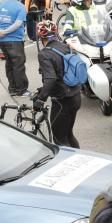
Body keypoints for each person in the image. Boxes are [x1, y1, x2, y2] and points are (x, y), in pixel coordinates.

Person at [33, 20, 81, 148]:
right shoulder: (66, 46)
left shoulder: (44, 54)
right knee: (69, 135)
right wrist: (42, 90)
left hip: (62, 101)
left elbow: (51, 78)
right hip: (76, 96)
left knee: (60, 140)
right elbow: (62, 72)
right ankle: (81, 159)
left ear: (41, 37)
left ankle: (71, 166)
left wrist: (40, 99)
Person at [0, 0, 30, 97]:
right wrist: (5, 31)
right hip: (14, 40)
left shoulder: (0, 3)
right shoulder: (20, 6)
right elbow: (18, 24)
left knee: (9, 63)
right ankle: (21, 90)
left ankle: (12, 88)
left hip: (2, 41)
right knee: (18, 64)